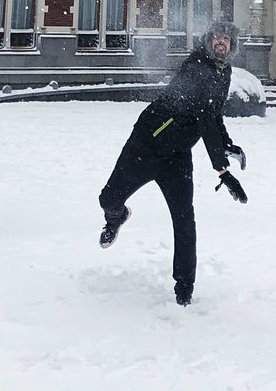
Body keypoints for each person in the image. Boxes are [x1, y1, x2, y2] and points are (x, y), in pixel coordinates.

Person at [97, 20, 248, 306]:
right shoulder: (196, 67)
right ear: (208, 40)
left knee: (184, 220)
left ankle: (184, 288)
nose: (221, 43)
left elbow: (214, 114)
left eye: (227, 39)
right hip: (147, 143)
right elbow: (204, 114)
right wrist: (222, 170)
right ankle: (116, 217)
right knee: (108, 198)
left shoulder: (223, 72)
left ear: (232, 46)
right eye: (217, 37)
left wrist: (227, 145)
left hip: (177, 156)